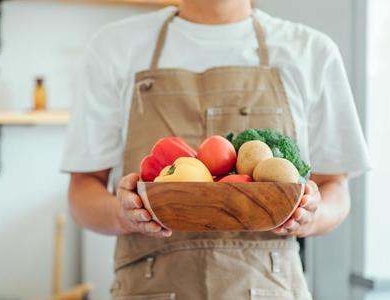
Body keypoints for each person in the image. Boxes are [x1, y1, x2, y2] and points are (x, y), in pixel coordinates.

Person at [61, 0, 371, 298]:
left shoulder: (311, 51)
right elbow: (81, 193)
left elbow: (335, 188)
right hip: (149, 289)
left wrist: (311, 216)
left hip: (269, 288)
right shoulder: (114, 47)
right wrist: (122, 214)